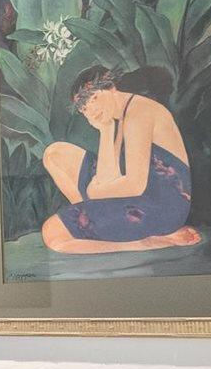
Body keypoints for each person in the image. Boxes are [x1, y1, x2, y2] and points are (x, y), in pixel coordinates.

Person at [40, 65, 200, 255]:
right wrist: (106, 130)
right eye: (83, 109)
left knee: (53, 232)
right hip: (137, 197)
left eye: (93, 99)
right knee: (54, 154)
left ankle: (145, 242)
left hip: (161, 207)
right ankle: (100, 222)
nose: (90, 111)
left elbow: (135, 185)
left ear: (111, 88)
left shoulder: (139, 112)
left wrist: (93, 191)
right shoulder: (121, 114)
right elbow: (110, 177)